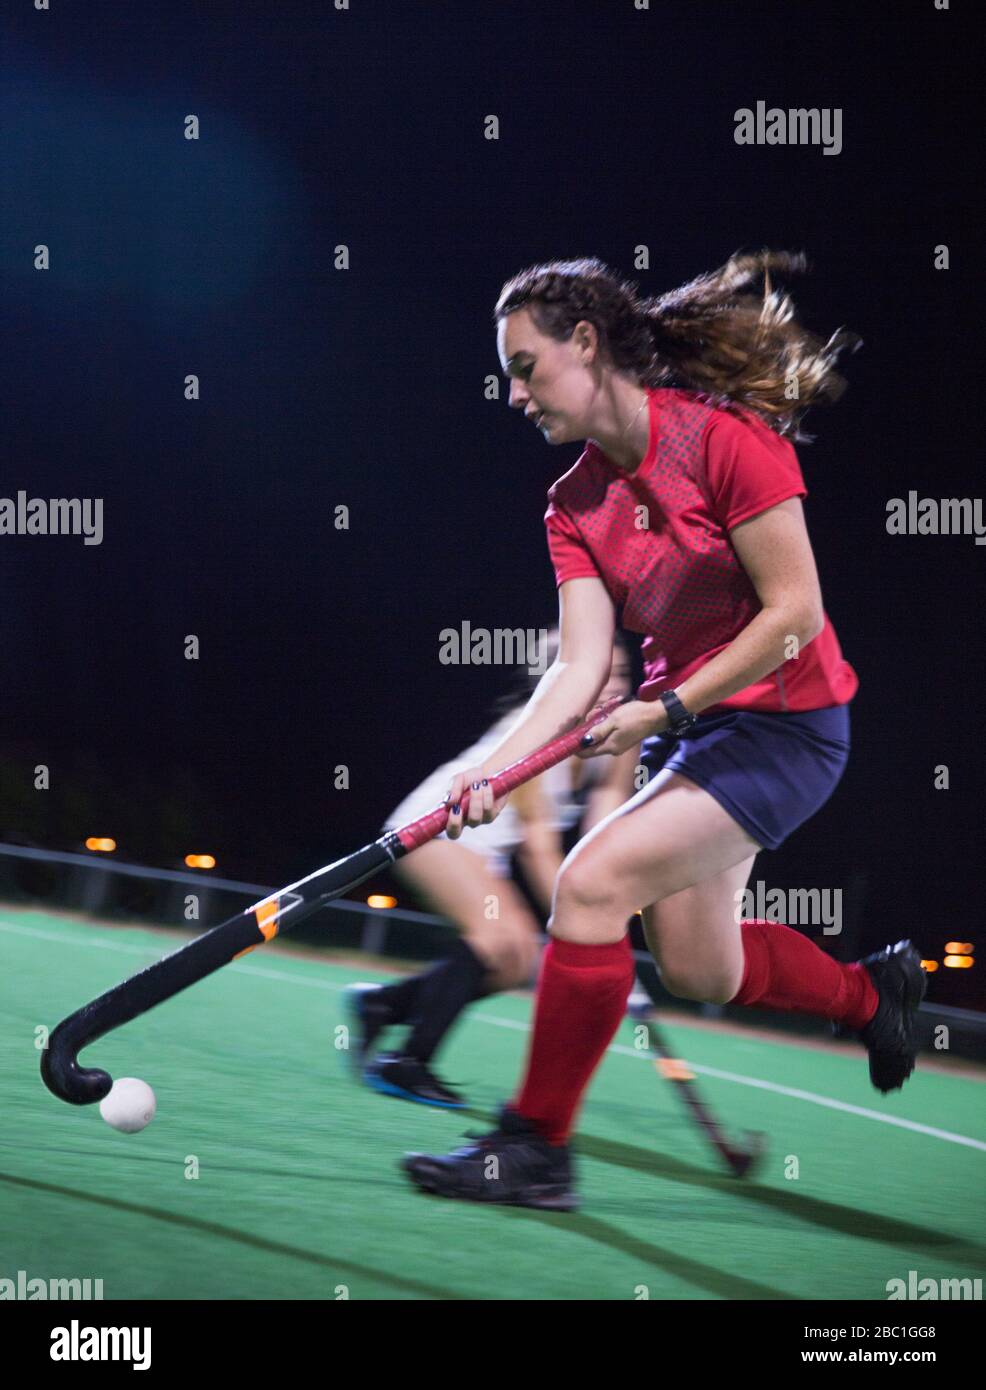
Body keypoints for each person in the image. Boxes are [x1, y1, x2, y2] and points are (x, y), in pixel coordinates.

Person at [400, 251, 926, 1211]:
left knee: (589, 887)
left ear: (588, 345)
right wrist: (498, 773)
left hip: (789, 728)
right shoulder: (572, 505)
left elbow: (795, 616)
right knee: (700, 969)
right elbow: (574, 667)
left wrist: (668, 708)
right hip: (704, 732)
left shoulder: (727, 442)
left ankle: (536, 1150)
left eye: (526, 367)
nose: (515, 394)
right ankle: (871, 993)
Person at [345, 634, 638, 1107]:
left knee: (515, 962)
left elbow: (604, 828)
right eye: (600, 673)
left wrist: (612, 910)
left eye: (621, 673)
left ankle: (385, 1004)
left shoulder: (625, 735)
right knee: (497, 937)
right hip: (436, 828)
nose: (613, 686)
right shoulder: (539, 732)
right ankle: (407, 1063)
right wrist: (593, 926)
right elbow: (537, 849)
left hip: (485, 851)